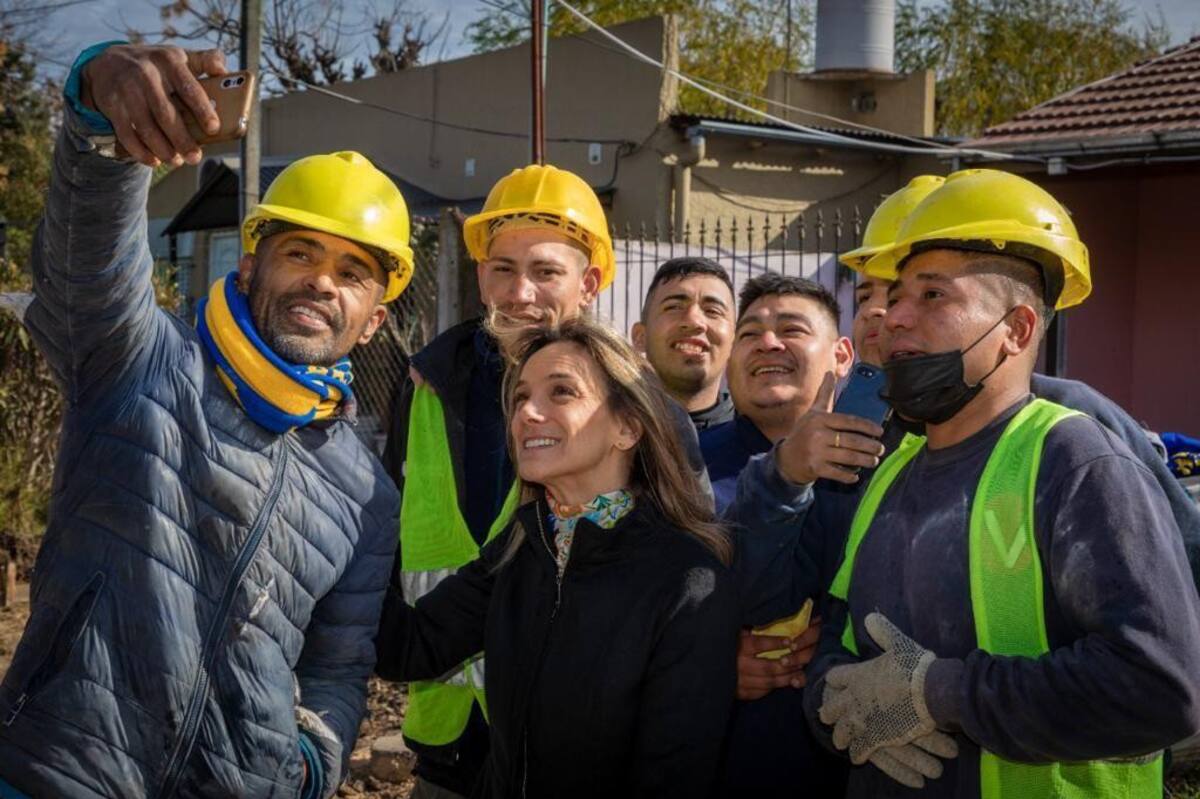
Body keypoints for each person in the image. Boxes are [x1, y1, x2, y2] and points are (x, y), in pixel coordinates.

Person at [0, 43, 407, 798]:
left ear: (375, 318)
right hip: (54, 774)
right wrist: (101, 109)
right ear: (250, 267)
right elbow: (82, 262)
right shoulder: (142, 360)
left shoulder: (367, 495)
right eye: (301, 252)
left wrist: (308, 765)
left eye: (352, 272)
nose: (323, 280)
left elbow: (339, 665)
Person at [796, 169, 1200, 797]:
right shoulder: (889, 470)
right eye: (895, 295)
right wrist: (835, 705)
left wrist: (942, 694)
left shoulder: (1076, 462)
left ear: (1015, 330)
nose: (894, 316)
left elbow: (1161, 688)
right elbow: (840, 641)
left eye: (932, 297)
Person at [379, 164, 709, 799]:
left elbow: (686, 569)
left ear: (588, 283)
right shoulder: (426, 386)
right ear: (479, 276)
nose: (520, 291)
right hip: (447, 742)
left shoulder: (641, 406)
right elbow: (388, 541)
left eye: (546, 271)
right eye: (502, 268)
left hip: (586, 757)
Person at [700, 272, 853, 514]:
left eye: (792, 329)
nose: (768, 343)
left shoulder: (875, 464)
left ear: (841, 356)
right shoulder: (682, 467)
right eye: (749, 334)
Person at [631, 257, 736, 430]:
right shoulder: (602, 430)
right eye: (674, 307)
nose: (694, 321)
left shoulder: (765, 444)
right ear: (640, 337)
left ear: (735, 342)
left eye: (712, 311)